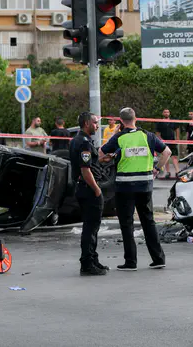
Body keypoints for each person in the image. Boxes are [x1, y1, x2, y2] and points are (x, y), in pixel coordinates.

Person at [100, 107, 170, 271]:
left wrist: (114, 136)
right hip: (145, 185)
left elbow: (101, 153)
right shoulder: (148, 136)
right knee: (148, 221)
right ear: (135, 118)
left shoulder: (119, 137)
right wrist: (156, 169)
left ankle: (131, 262)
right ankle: (158, 259)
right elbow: (167, 152)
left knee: (127, 223)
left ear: (121, 121)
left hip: (125, 187)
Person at [68, 112, 110, 276]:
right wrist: (97, 189)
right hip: (88, 189)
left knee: (92, 228)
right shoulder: (84, 143)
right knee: (90, 229)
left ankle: (93, 260)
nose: (97, 126)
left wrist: (101, 160)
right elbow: (85, 171)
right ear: (86, 123)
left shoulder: (77, 140)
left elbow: (87, 164)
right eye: (95, 123)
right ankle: (87, 264)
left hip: (83, 188)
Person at [155, 109, 180, 179]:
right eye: (165, 112)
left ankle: (177, 172)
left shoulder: (173, 121)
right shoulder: (160, 122)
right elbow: (157, 133)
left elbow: (177, 129)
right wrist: (160, 140)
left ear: (169, 113)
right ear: (163, 113)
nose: (166, 113)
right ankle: (168, 172)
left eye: (167, 112)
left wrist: (177, 139)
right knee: (166, 158)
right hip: (164, 142)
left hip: (172, 141)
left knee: (174, 156)